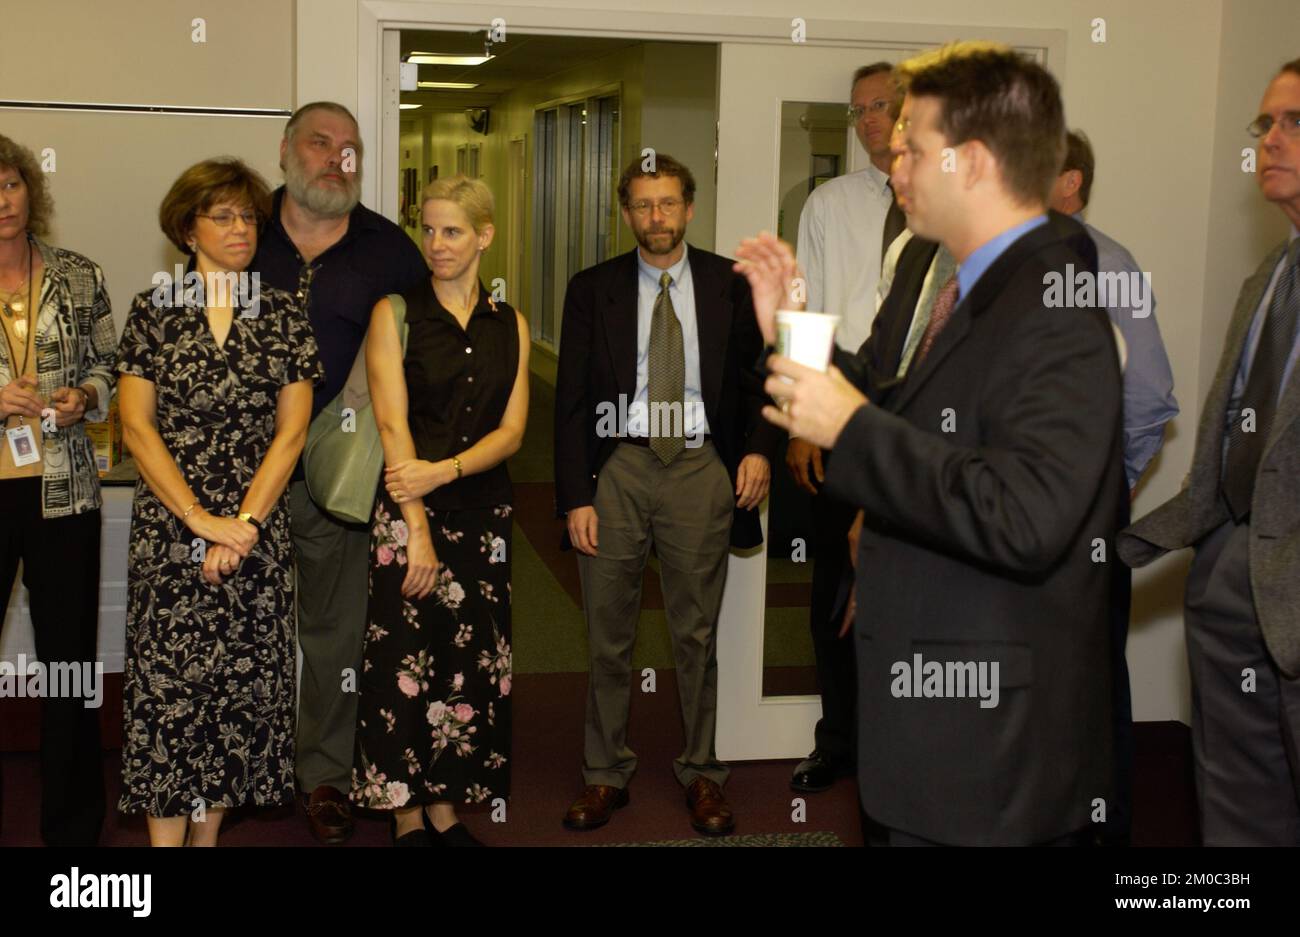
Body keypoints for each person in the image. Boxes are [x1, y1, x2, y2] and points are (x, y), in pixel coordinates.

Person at [736, 42, 1125, 845]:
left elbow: (1025, 516)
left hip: (988, 735)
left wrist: (849, 427)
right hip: (921, 705)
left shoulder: (1056, 302)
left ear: (973, 162)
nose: (893, 161)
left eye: (913, 147)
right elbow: (883, 394)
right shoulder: (940, 271)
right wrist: (790, 325)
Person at [555, 153, 780, 835]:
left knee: (696, 632)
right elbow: (570, 400)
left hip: (699, 468)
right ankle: (604, 772)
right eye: (643, 204)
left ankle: (703, 771)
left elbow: (761, 376)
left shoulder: (729, 284)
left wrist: (758, 450)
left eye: (669, 203)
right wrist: (576, 496)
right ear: (626, 212)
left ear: (689, 208)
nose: (657, 217)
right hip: (618, 467)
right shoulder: (592, 289)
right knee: (608, 633)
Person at [1118, 59, 1300, 846]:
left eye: (1294, 122)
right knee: (1237, 813)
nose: (1270, 141)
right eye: (1266, 124)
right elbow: (1230, 442)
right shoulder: (1267, 278)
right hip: (1229, 575)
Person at [117, 158, 322, 845]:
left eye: (249, 217)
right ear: (187, 229)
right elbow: (137, 428)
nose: (241, 229)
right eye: (224, 216)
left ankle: (206, 843)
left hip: (256, 534)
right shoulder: (154, 310)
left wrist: (243, 525)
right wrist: (201, 522)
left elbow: (292, 432)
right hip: (170, 535)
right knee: (169, 700)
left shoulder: (283, 311)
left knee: (237, 698)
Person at [251, 101, 428, 844]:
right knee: (245, 630)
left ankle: (323, 774)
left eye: (348, 148)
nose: (335, 158)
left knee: (333, 634)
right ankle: (247, 770)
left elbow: (423, 360)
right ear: (285, 148)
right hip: (240, 477)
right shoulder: (239, 231)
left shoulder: (390, 250)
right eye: (320, 143)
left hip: (339, 478)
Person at [351, 176, 527, 846]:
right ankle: (405, 815)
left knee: (470, 664)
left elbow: (512, 433)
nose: (436, 244)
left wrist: (447, 469)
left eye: (452, 231)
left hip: (484, 518)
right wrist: (417, 528)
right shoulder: (395, 313)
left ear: (484, 236)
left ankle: (447, 807)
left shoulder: (510, 322)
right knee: (403, 663)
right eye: (427, 230)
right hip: (408, 514)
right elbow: (393, 427)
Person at [1049, 128, 1180, 847]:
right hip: (1013, 512)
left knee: (1094, 677)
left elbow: (1152, 395)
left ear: (1071, 181)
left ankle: (1105, 835)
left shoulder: (1110, 264)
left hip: (1087, 517)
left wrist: (1110, 482)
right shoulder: (992, 263)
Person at [789, 62, 905, 795]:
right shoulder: (829, 203)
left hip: (922, 413)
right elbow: (805, 310)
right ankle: (837, 742)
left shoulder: (946, 200)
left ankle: (904, 745)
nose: (867, 122)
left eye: (880, 106)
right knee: (834, 587)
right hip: (841, 404)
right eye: (858, 110)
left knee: (913, 587)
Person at [0, 134, 116, 846]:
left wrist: (87, 396)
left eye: (10, 185)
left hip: (65, 491)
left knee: (69, 663)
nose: (1, 202)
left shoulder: (78, 275)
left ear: (29, 191)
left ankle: (72, 831)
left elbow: (110, 363)